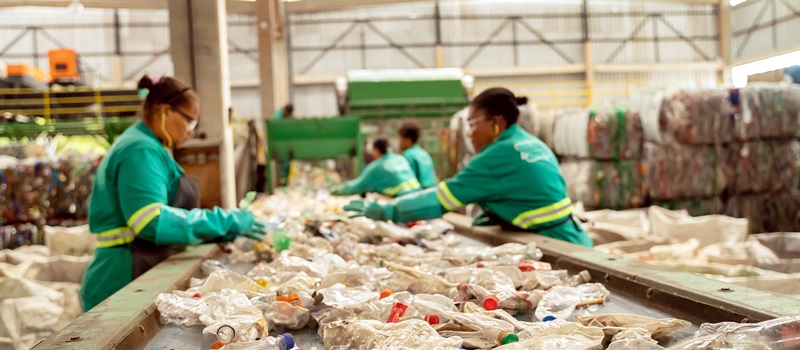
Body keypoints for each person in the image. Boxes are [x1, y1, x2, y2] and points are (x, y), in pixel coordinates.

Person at [80, 75, 268, 311]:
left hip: (132, 267)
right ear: (165, 112)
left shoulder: (149, 145)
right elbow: (149, 220)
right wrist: (222, 222)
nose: (191, 131)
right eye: (189, 121)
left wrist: (217, 231)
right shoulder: (141, 149)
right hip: (121, 277)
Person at [344, 88, 592, 247]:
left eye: (472, 125)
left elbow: (440, 200)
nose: (469, 134)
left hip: (553, 244)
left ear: (495, 123)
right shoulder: (531, 143)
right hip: (573, 237)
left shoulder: (497, 155)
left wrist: (386, 211)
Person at [331, 138, 421, 197]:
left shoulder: (377, 167)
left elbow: (357, 186)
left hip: (402, 200)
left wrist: (336, 190)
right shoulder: (400, 158)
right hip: (418, 195)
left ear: (376, 150)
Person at [398, 121, 437, 188]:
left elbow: (408, 181)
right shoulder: (423, 153)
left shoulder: (408, 155)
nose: (399, 143)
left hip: (420, 191)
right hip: (432, 190)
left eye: (400, 139)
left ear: (407, 139)